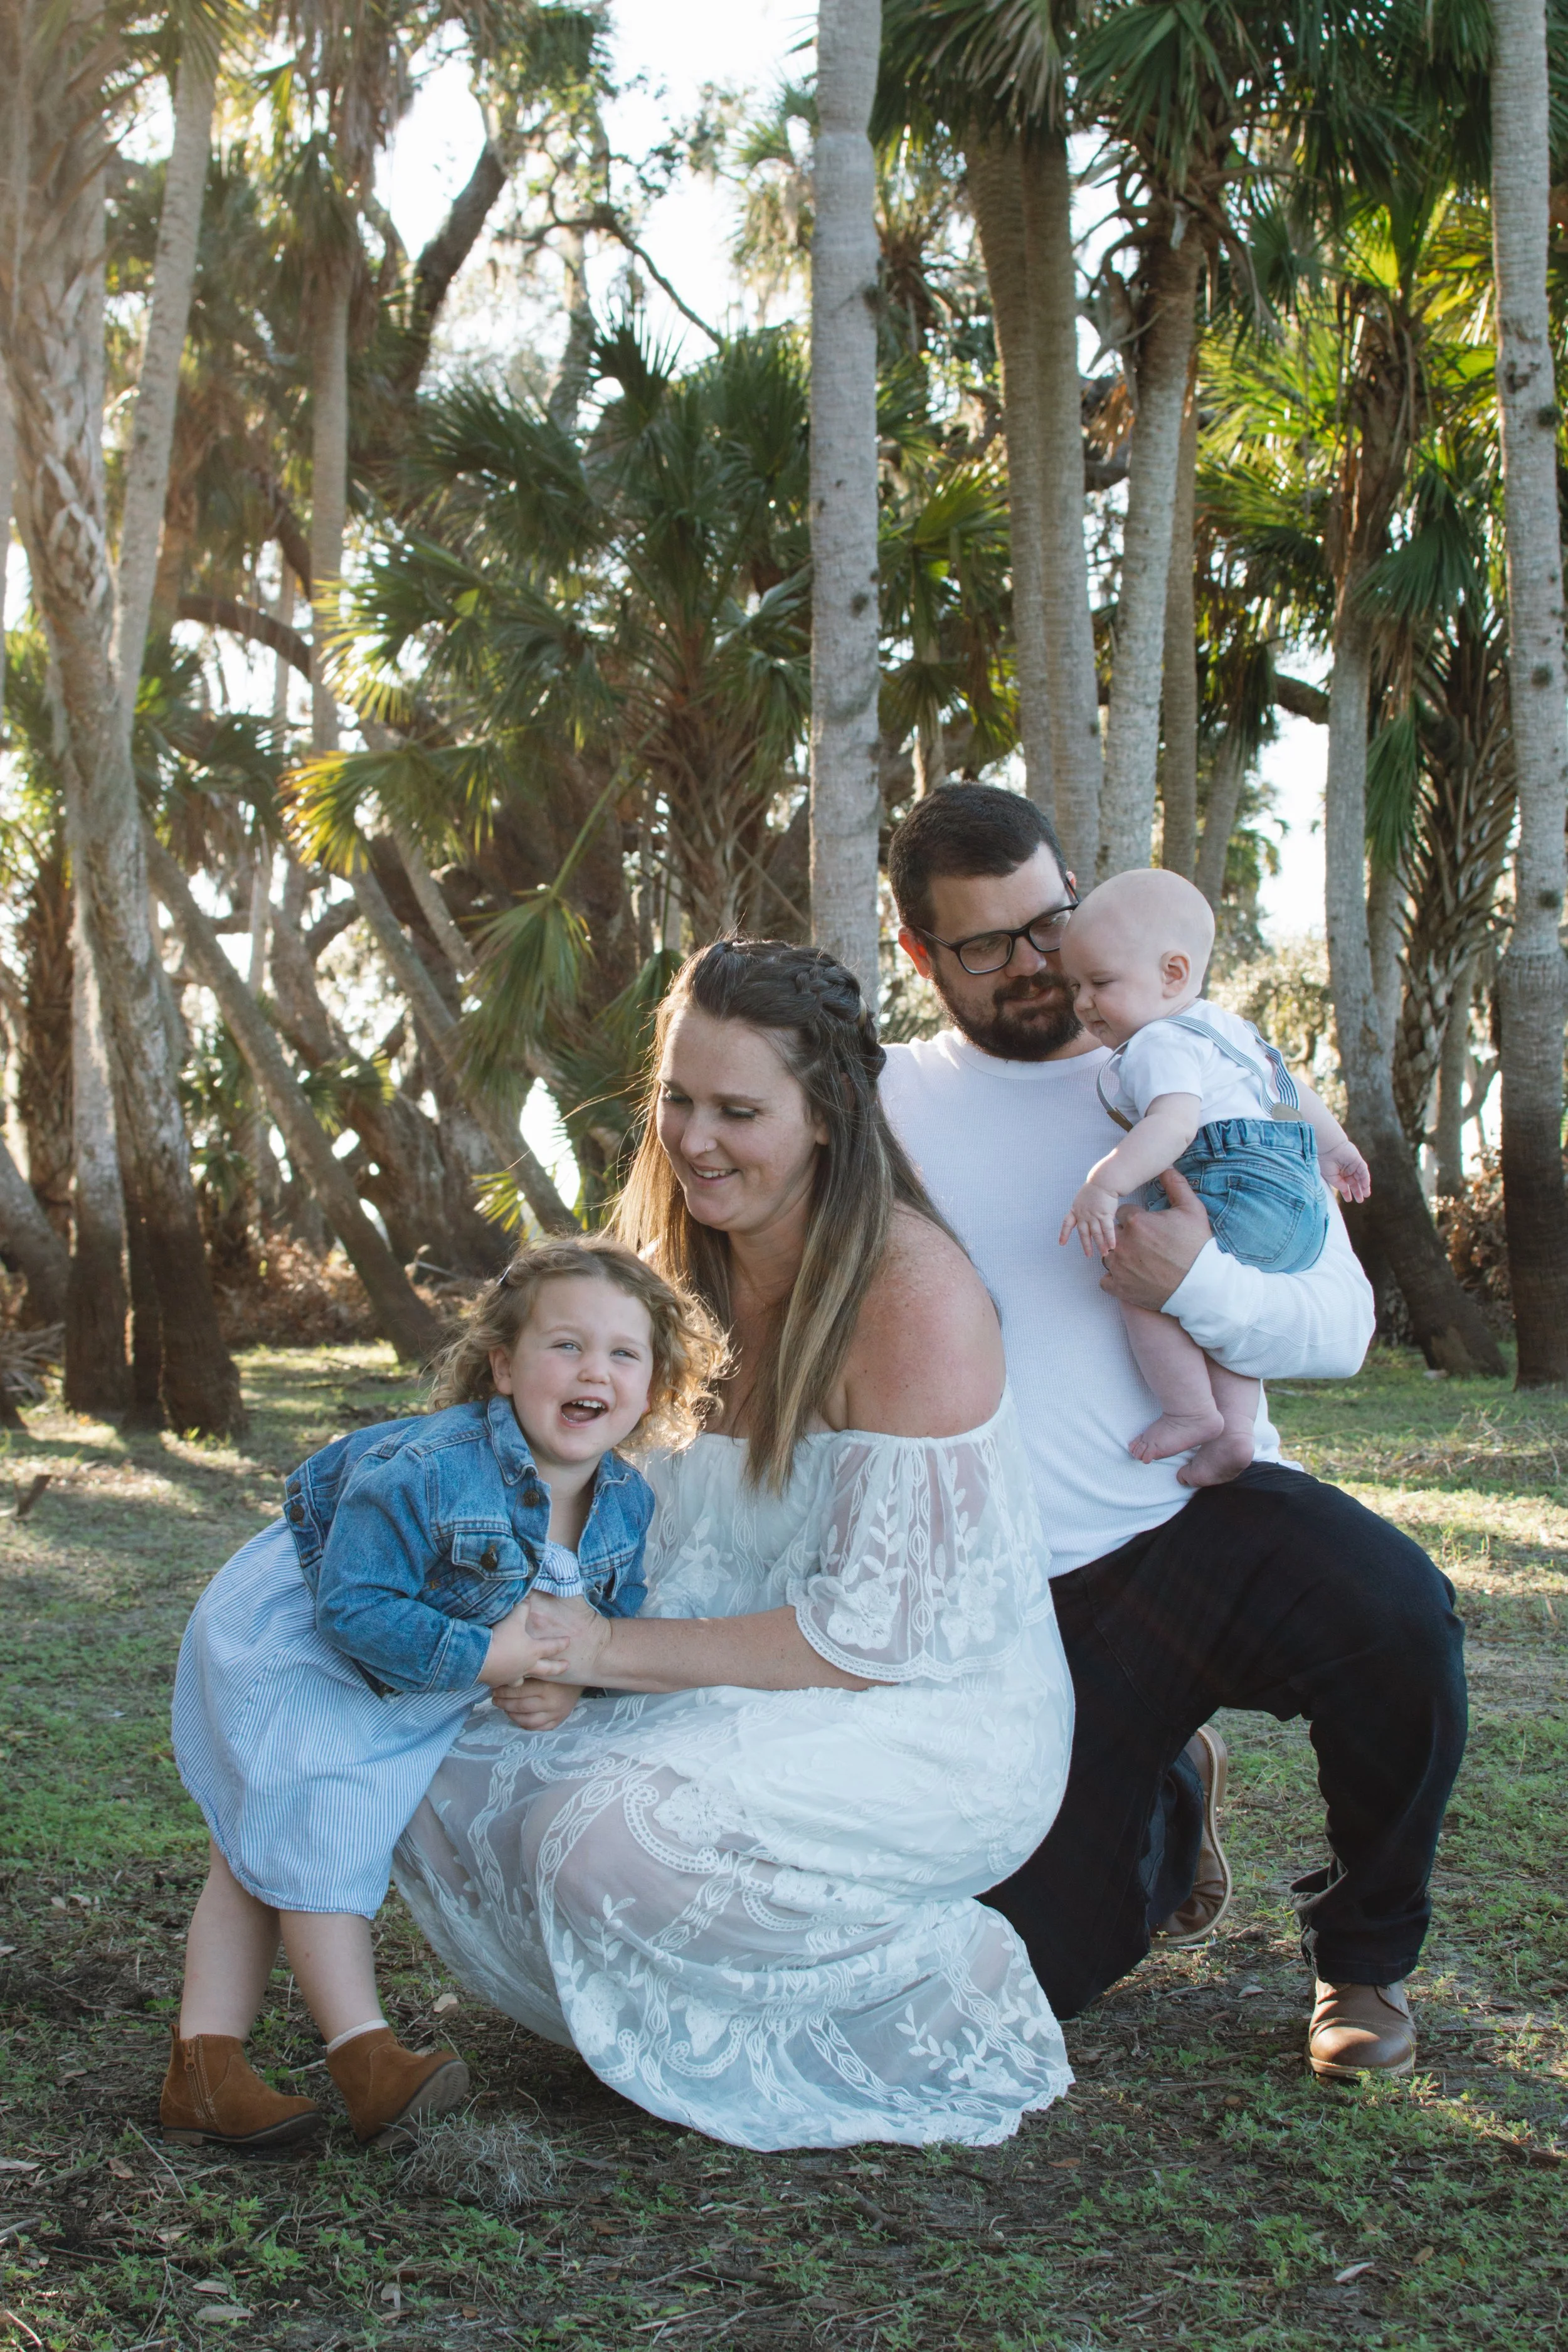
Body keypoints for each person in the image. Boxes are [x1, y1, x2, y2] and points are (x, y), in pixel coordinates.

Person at [392, 938, 1076, 2150]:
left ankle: (930, 1974)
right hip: (692, 1665)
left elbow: (872, 1636)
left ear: (827, 1116)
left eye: (738, 1111)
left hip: (912, 1705)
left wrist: (594, 1651)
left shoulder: (911, 1300)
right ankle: (649, 1999)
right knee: (430, 1753)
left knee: (602, 1840)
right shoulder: (655, 1280)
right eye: (677, 1100)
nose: (694, 1140)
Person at [883, 783, 1466, 2081]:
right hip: (1020, 1595)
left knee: (1395, 1616)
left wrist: (1186, 1285)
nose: (1037, 967)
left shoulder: (1200, 1060)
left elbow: (1336, 1330)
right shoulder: (881, 1105)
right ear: (920, 955)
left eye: (1049, 924)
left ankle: (1360, 1965)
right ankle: (1168, 1791)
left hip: (1198, 1513)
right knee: (1042, 1968)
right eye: (986, 946)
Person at [163, 1237, 717, 2150]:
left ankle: (204, 2071)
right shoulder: (434, 1467)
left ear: (655, 1387)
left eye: (625, 1354)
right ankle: (366, 2056)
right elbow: (353, 1604)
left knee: (251, 1850)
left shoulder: (624, 1504)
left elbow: (596, 1620)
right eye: (566, 1345)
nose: (595, 1370)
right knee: (324, 1822)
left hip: (406, 1660)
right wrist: (486, 1654)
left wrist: (567, 1683)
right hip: (302, 1634)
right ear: (503, 1365)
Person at [1057, 867, 1370, 1484]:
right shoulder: (1229, 1029)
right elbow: (1288, 1092)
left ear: (1173, 974)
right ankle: (1234, 1436)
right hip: (1296, 1202)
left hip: (1235, 1185)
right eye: (1073, 986)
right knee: (1217, 1315)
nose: (1082, 1003)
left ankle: (1190, 1411)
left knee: (1141, 1281)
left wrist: (1106, 1183)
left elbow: (1173, 1125)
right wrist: (1335, 1149)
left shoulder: (1157, 1041)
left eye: (1099, 983)